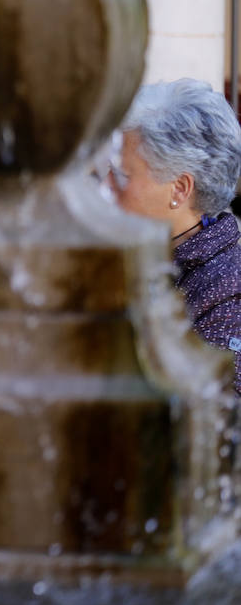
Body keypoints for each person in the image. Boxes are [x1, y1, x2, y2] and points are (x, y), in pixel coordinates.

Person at [108, 77, 241, 392]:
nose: (108, 190)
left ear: (179, 189)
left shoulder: (228, 297)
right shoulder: (143, 258)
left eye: (123, 176)